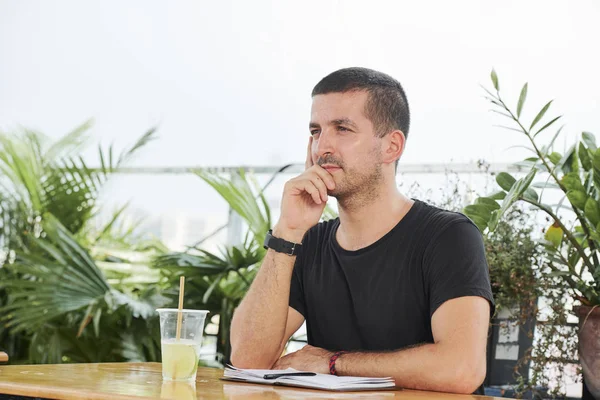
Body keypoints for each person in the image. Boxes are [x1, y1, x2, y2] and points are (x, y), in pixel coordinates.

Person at [229, 67, 495, 395]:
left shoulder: (448, 236)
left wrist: (333, 363)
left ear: (391, 147)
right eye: (315, 131)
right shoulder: (307, 243)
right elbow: (246, 360)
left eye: (342, 128)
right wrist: (288, 230)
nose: (322, 146)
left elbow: (461, 369)